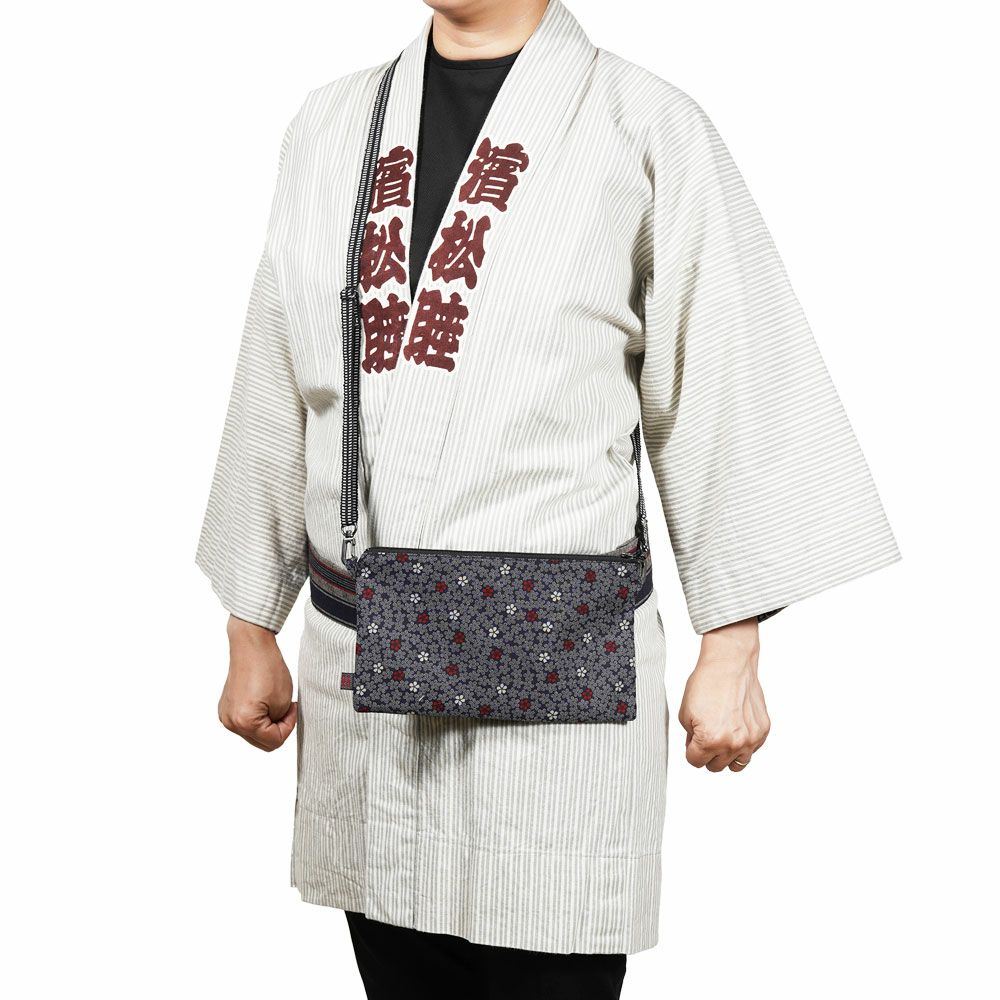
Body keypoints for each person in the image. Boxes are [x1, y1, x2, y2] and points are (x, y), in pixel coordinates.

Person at [196, 1, 900, 996]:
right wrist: (248, 623)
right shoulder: (332, 125)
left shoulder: (643, 125)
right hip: (365, 677)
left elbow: (726, 369)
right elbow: (278, 374)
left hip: (558, 691)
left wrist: (733, 642)